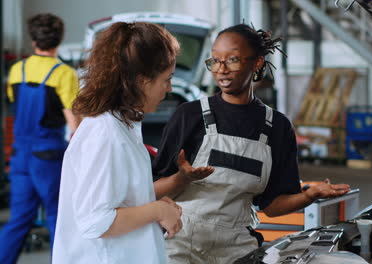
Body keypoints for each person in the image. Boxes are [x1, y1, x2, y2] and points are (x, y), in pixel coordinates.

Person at [152, 23, 351, 263]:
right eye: (215, 60)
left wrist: (310, 195)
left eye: (232, 60)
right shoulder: (190, 115)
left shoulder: (277, 127)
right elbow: (152, 191)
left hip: (236, 249)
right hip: (179, 241)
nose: (221, 69)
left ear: (257, 63)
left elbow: (273, 206)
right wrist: (181, 178)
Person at [51, 22, 213, 264]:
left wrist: (157, 201)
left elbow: (124, 196)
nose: (168, 89)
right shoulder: (105, 134)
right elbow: (95, 220)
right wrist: (157, 211)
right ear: (140, 81)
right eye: (166, 79)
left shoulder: (123, 124)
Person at [0, 13, 81, 264]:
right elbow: (74, 125)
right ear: (59, 39)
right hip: (49, 155)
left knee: (19, 219)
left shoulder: (17, 70)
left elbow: (16, 106)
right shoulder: (64, 73)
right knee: (58, 217)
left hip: (20, 155)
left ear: (33, 39)